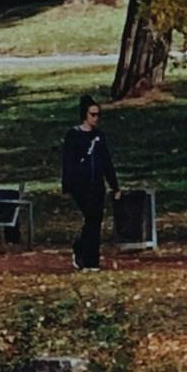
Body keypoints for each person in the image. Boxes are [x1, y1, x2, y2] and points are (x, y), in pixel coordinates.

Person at [60, 95, 119, 268]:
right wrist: (66, 186)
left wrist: (114, 185)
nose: (96, 118)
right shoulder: (73, 136)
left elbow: (106, 161)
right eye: (93, 114)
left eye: (98, 114)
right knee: (91, 217)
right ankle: (84, 252)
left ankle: (89, 258)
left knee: (95, 221)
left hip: (97, 184)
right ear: (84, 115)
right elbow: (68, 162)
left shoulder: (99, 136)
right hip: (80, 185)